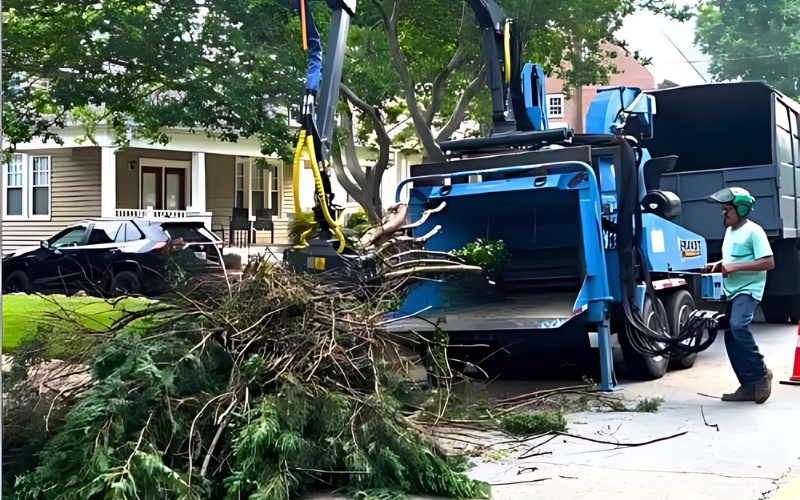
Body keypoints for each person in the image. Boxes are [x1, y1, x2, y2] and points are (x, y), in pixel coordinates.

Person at [705, 187, 775, 404]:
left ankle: (761, 373)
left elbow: (768, 262)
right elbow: (732, 258)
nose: (723, 213)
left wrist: (733, 268)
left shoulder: (754, 231)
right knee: (730, 335)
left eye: (727, 209)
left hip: (749, 289)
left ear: (741, 209)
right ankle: (748, 385)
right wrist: (717, 265)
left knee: (738, 326)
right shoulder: (731, 231)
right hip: (731, 290)